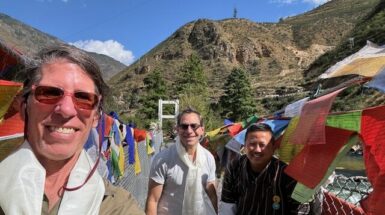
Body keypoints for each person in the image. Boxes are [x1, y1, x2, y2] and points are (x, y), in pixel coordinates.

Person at [0, 45, 144, 215]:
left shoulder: (117, 207)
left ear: (96, 117)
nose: (66, 109)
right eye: (49, 93)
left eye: (83, 98)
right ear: (24, 108)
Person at [146, 108, 218, 215]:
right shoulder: (163, 159)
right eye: (184, 126)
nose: (189, 131)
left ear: (202, 130)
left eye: (194, 126)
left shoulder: (208, 158)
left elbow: (212, 196)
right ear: (177, 129)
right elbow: (152, 200)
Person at [219, 123, 301, 215]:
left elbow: (299, 209)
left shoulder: (286, 174)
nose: (257, 150)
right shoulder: (234, 167)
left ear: (273, 147)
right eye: (252, 144)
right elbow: (227, 204)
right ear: (244, 146)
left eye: (262, 145)